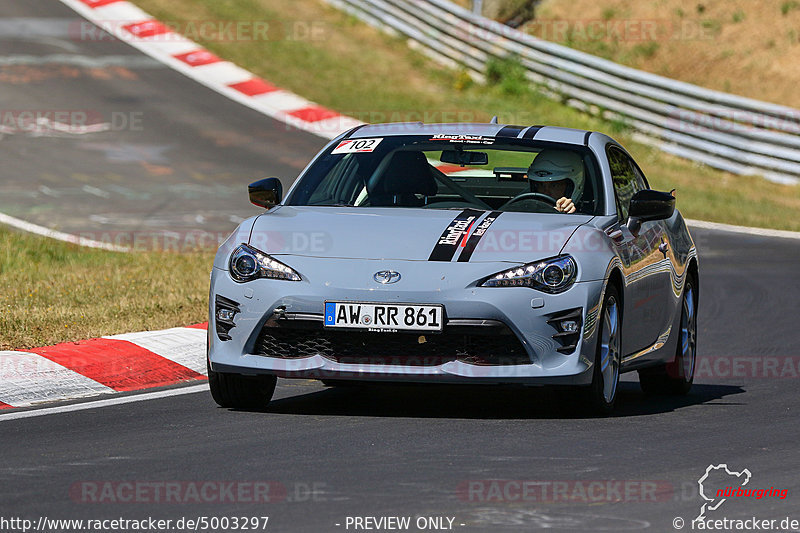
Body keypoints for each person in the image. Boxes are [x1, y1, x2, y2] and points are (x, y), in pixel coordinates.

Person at [527, 149, 585, 214]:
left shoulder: (582, 220)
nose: (546, 192)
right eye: (541, 185)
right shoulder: (523, 208)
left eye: (554, 186)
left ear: (570, 189)